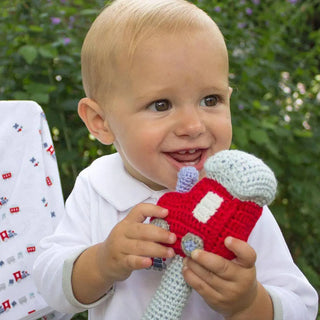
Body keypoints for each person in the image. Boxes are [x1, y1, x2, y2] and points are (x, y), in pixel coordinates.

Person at [33, 0, 318, 319]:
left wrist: (250, 303)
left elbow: (302, 306)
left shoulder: (237, 200)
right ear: (101, 121)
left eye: (210, 100)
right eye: (160, 105)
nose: (193, 126)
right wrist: (102, 262)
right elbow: (48, 284)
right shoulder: (97, 189)